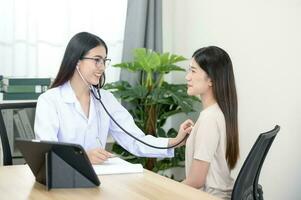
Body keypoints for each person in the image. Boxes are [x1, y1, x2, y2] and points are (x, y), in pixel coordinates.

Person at [34, 32, 193, 164]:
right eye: (97, 60)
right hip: (63, 181)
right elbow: (47, 152)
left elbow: (134, 139)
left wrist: (174, 141)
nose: (102, 67)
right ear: (77, 61)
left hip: (98, 180)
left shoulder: (106, 99)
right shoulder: (50, 100)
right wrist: (83, 157)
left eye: (104, 61)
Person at [182, 46, 239, 199]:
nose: (187, 77)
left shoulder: (209, 120)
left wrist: (163, 191)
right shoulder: (219, 113)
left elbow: (196, 181)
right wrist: (196, 136)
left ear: (211, 80)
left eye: (193, 71)